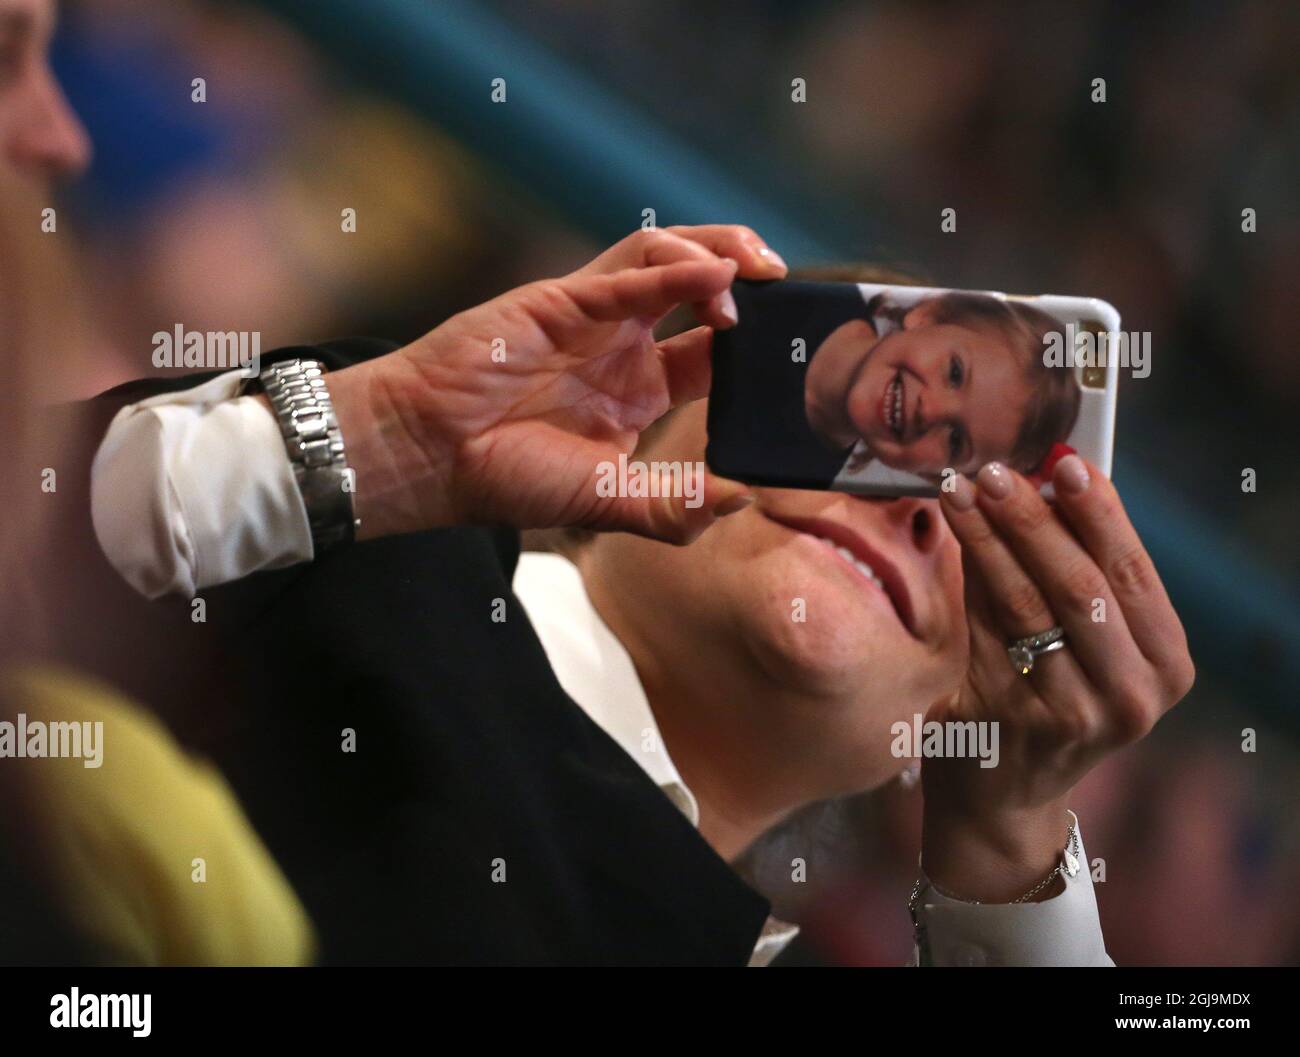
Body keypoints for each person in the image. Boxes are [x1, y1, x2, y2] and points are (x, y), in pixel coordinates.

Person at [803, 289, 1081, 489]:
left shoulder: (801, 486)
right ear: (929, 316)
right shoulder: (812, 291)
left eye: (956, 440)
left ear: (933, 475)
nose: (930, 409)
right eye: (955, 373)